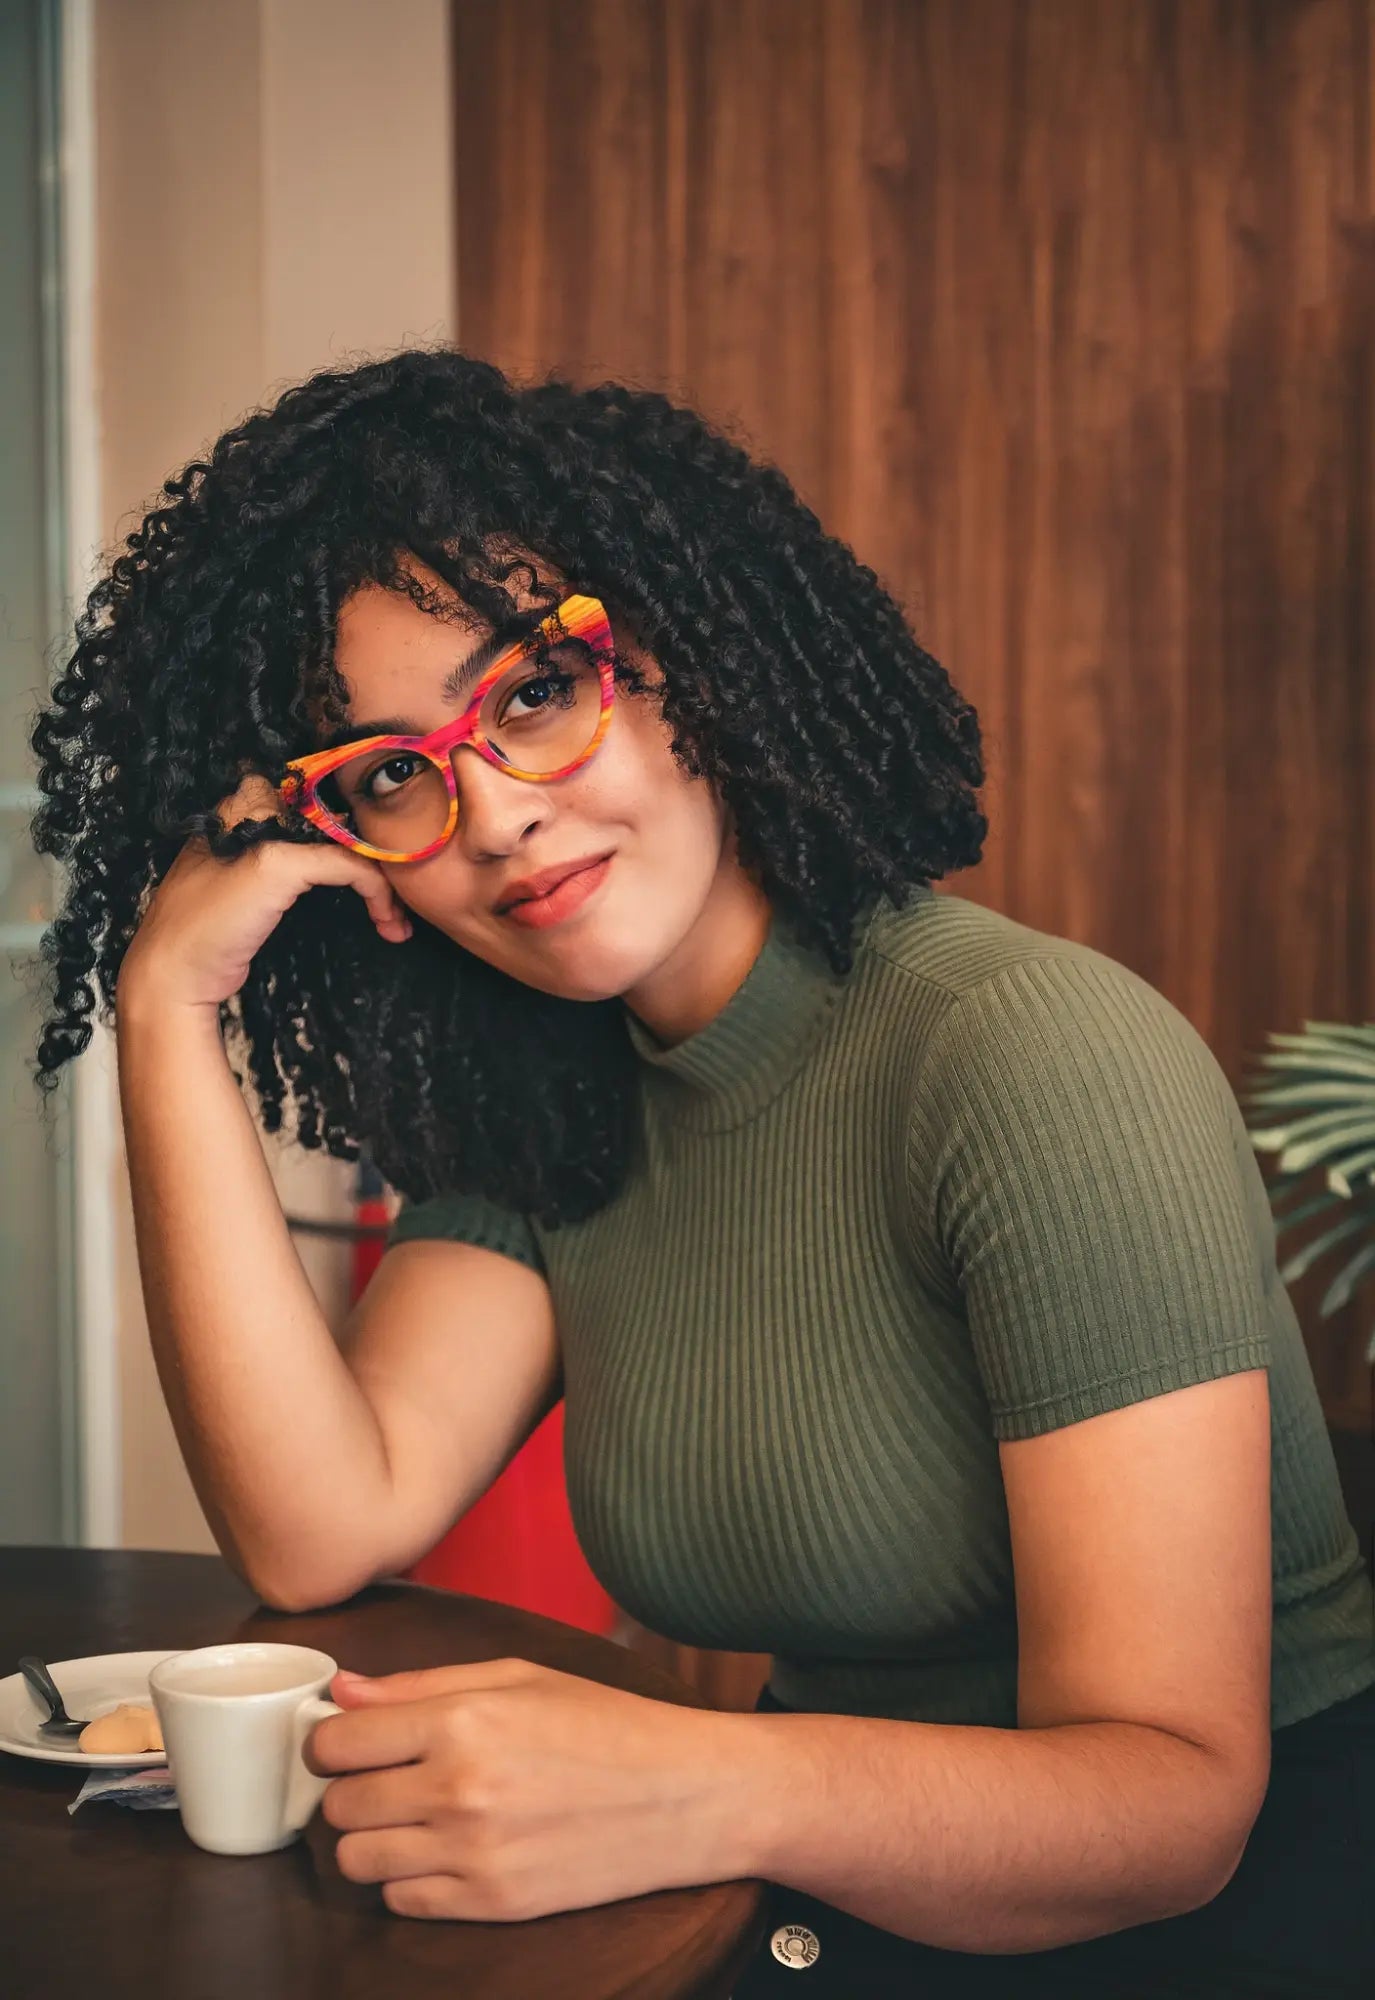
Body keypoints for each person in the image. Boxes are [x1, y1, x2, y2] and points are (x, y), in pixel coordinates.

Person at [28, 347, 1374, 1995]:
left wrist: (679, 1776)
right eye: (395, 776)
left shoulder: (1029, 1057)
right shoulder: (559, 1101)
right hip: (814, 1896)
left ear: (692, 660)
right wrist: (167, 1004)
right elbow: (322, 1527)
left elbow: (1173, 1811)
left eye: (532, 692)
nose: (499, 816)